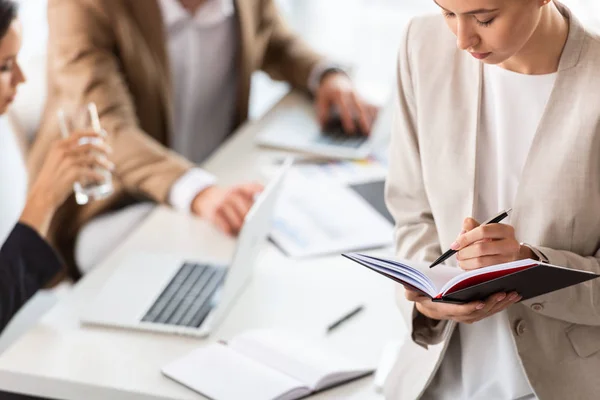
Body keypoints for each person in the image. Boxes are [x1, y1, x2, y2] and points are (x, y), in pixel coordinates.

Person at [27, 0, 377, 277]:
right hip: (117, 202)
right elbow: (110, 130)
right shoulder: (82, 4)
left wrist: (326, 75)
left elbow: (274, 40)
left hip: (219, 177)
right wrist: (199, 193)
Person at [384, 0, 600, 399]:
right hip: (437, 378)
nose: (462, 39)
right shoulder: (421, 44)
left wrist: (530, 266)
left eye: (485, 18)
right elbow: (412, 212)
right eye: (447, 11)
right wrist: (426, 299)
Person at [0, 0, 111, 332]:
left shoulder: (5, 127)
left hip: (35, 316)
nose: (21, 78)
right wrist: (44, 198)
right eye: (5, 66)